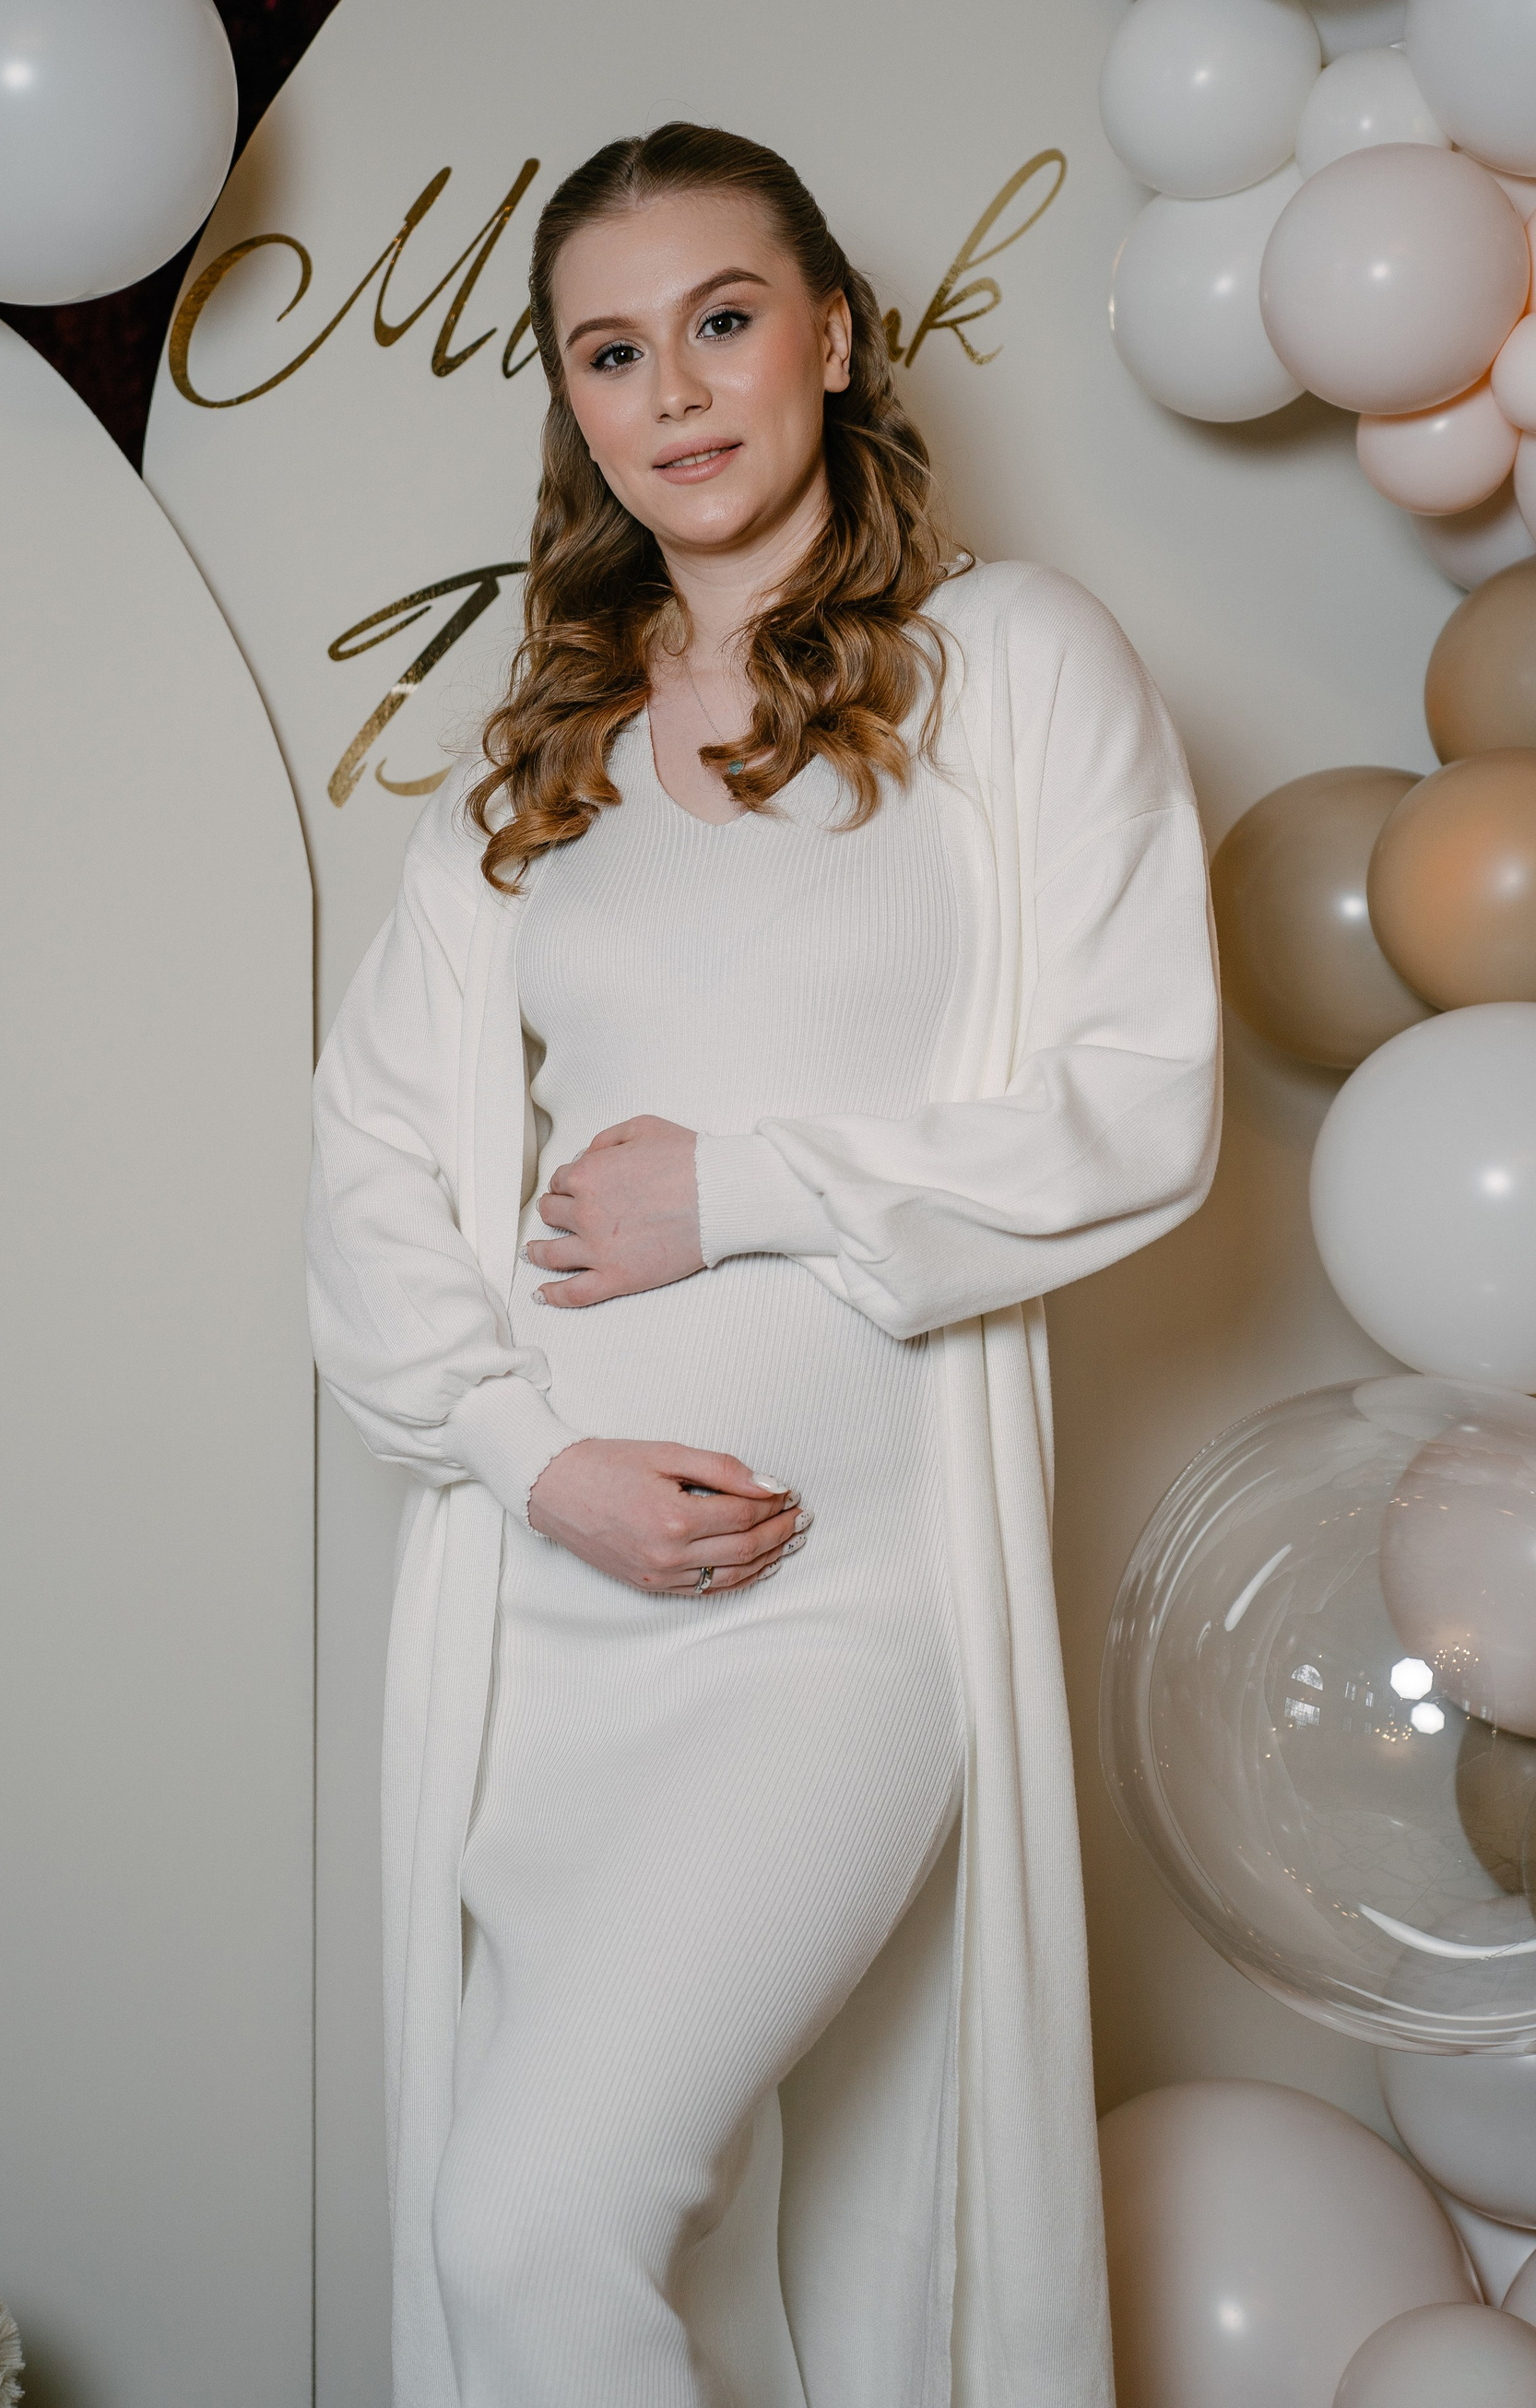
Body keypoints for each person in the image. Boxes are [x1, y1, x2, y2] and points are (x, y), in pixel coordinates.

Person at [306, 121, 1221, 2408]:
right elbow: (370, 1168)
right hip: (553, 1618)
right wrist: (530, 1462)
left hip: (840, 1605)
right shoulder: (537, 772)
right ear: (572, 405)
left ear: (831, 332)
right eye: (612, 352)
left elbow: (1143, 1102)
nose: (678, 390)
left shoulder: (1009, 667)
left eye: (723, 319)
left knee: (535, 2224)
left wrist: (741, 1189)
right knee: (605, 2265)